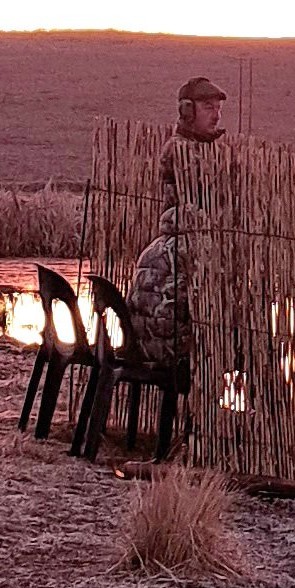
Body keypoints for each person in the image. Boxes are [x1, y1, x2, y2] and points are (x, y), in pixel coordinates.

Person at [127, 73, 228, 367]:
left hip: (151, 346)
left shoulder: (158, 248)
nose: (216, 115)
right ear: (187, 110)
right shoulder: (183, 152)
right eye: (208, 107)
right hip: (170, 354)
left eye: (217, 108)